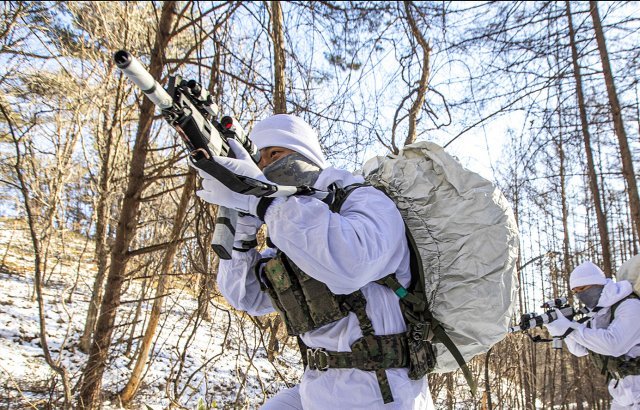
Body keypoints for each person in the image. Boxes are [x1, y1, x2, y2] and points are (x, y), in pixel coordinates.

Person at [194, 114, 434, 409]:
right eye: (260, 161)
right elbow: (248, 297)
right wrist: (242, 234)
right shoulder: (294, 225)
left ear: (305, 156)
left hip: (381, 393)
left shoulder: (365, 201)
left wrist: (262, 202)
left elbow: (350, 265)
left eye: (275, 154)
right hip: (319, 389)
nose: (266, 166)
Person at [545, 261, 640, 409]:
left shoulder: (630, 305)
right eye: (575, 292)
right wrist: (560, 329)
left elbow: (614, 344)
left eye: (582, 289)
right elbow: (579, 350)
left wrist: (571, 328)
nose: (580, 295)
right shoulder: (597, 312)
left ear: (597, 284)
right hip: (621, 395)